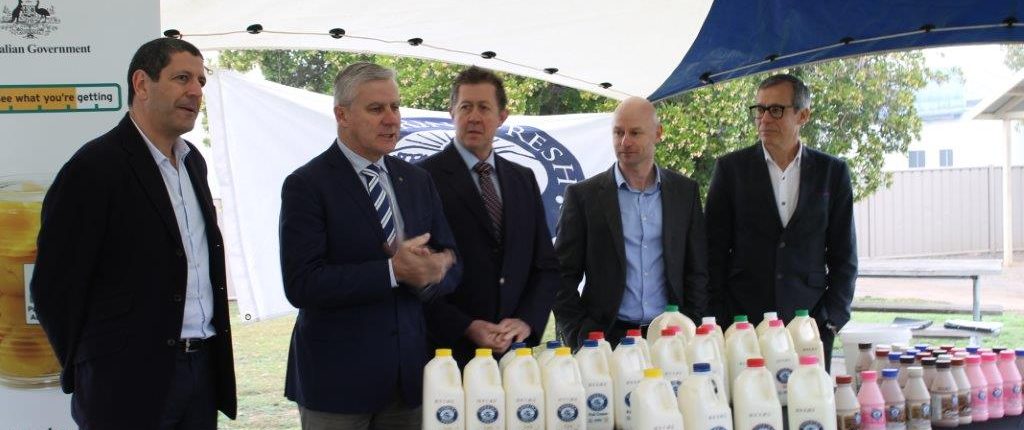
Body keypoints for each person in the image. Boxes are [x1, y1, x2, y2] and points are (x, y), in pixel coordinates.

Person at [31, 37, 236, 429]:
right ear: (142, 84)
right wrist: (95, 363)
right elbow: (53, 288)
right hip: (123, 382)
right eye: (181, 78)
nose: (195, 91)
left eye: (200, 81)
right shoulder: (93, 168)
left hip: (201, 371)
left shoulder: (194, 165)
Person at [278, 62, 461, 430]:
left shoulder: (417, 180)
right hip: (336, 385)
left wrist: (431, 273)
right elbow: (302, 283)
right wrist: (392, 272)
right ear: (342, 115)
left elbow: (451, 263)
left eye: (395, 107)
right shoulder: (307, 185)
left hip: (407, 380)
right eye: (376, 109)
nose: (391, 119)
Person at [704, 73, 857, 371]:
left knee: (809, 412)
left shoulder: (832, 172)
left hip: (809, 327)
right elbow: (712, 255)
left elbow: (844, 257)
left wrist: (830, 322)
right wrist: (720, 321)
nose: (764, 119)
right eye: (759, 109)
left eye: (776, 110)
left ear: (803, 115)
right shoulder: (730, 170)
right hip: (743, 326)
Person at [418, 67, 559, 367]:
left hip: (514, 353)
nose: (474, 117)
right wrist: (465, 326)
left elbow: (545, 265)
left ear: (502, 116)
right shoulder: (421, 178)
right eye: (465, 107)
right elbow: (417, 275)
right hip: (447, 355)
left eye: (484, 108)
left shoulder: (523, 179)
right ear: (451, 113)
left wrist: (526, 321)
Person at [553, 96, 709, 349]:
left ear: (658, 133)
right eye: (618, 133)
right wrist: (577, 334)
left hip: (672, 335)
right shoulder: (584, 196)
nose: (625, 142)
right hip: (605, 336)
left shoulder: (684, 192)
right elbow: (562, 276)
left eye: (635, 133)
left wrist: (692, 322)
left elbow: (697, 269)